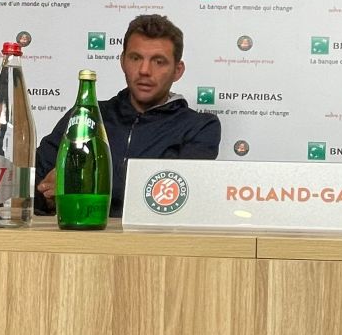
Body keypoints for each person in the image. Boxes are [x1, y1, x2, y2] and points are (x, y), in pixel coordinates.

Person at [35, 14, 221, 217]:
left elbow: (177, 195)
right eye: (135, 58)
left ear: (177, 70)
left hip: (153, 236)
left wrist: (77, 183)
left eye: (158, 61)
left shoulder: (199, 127)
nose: (144, 70)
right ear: (123, 61)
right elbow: (33, 183)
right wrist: (48, 198)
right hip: (83, 234)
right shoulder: (87, 116)